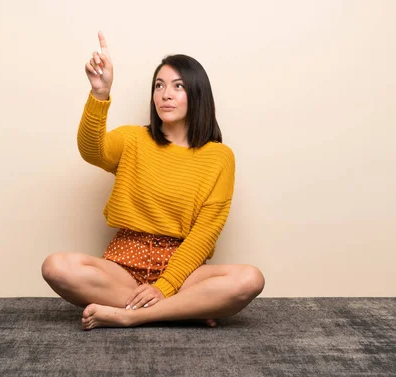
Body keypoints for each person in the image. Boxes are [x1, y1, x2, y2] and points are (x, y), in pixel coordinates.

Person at [42, 32, 265, 330]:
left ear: (197, 94)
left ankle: (132, 315)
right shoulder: (134, 138)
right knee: (55, 267)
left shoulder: (219, 157)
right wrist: (99, 93)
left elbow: (205, 233)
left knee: (250, 279)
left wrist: (166, 285)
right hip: (123, 262)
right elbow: (92, 151)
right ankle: (184, 310)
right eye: (159, 86)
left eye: (178, 86)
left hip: (184, 267)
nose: (165, 94)